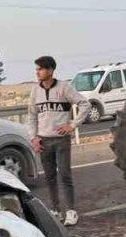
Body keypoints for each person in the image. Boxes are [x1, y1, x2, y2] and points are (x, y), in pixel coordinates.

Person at [27, 55, 90, 226]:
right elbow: (32, 116)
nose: (37, 72)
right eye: (36, 69)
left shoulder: (64, 87)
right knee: (50, 177)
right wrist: (33, 138)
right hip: (43, 141)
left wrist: (73, 125)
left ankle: (71, 210)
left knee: (64, 175)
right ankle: (55, 210)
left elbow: (85, 104)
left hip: (61, 140)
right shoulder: (35, 91)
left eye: (40, 69)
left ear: (50, 70)